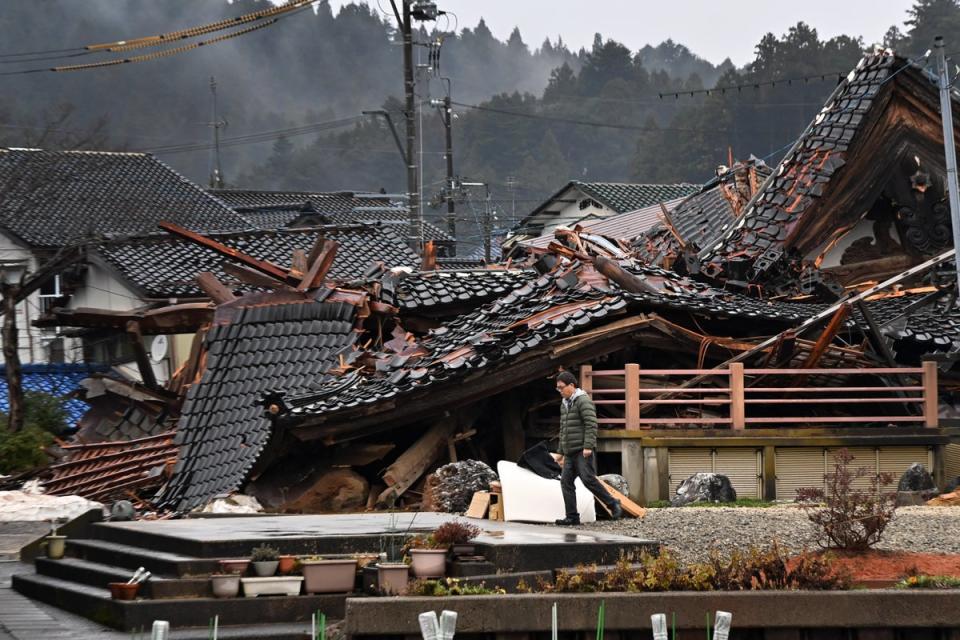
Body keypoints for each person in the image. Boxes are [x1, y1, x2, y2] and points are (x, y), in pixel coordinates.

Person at [554, 370, 622, 525]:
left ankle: (613, 503)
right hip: (570, 452)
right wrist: (560, 452)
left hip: (582, 450)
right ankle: (572, 516)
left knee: (588, 479)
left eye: (561, 387)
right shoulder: (564, 404)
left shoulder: (583, 401)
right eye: (557, 388)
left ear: (571, 385)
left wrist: (588, 446)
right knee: (565, 482)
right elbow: (563, 429)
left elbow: (591, 424)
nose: (560, 391)